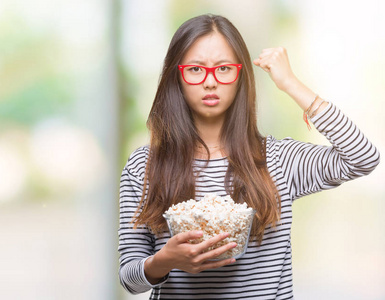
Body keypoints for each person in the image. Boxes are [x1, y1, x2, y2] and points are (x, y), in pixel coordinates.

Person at [118, 14, 380, 299]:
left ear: (240, 75)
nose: (210, 82)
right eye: (195, 69)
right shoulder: (144, 166)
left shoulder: (278, 160)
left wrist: (291, 84)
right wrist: (165, 260)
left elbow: (362, 157)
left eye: (224, 68)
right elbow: (131, 279)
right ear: (176, 76)